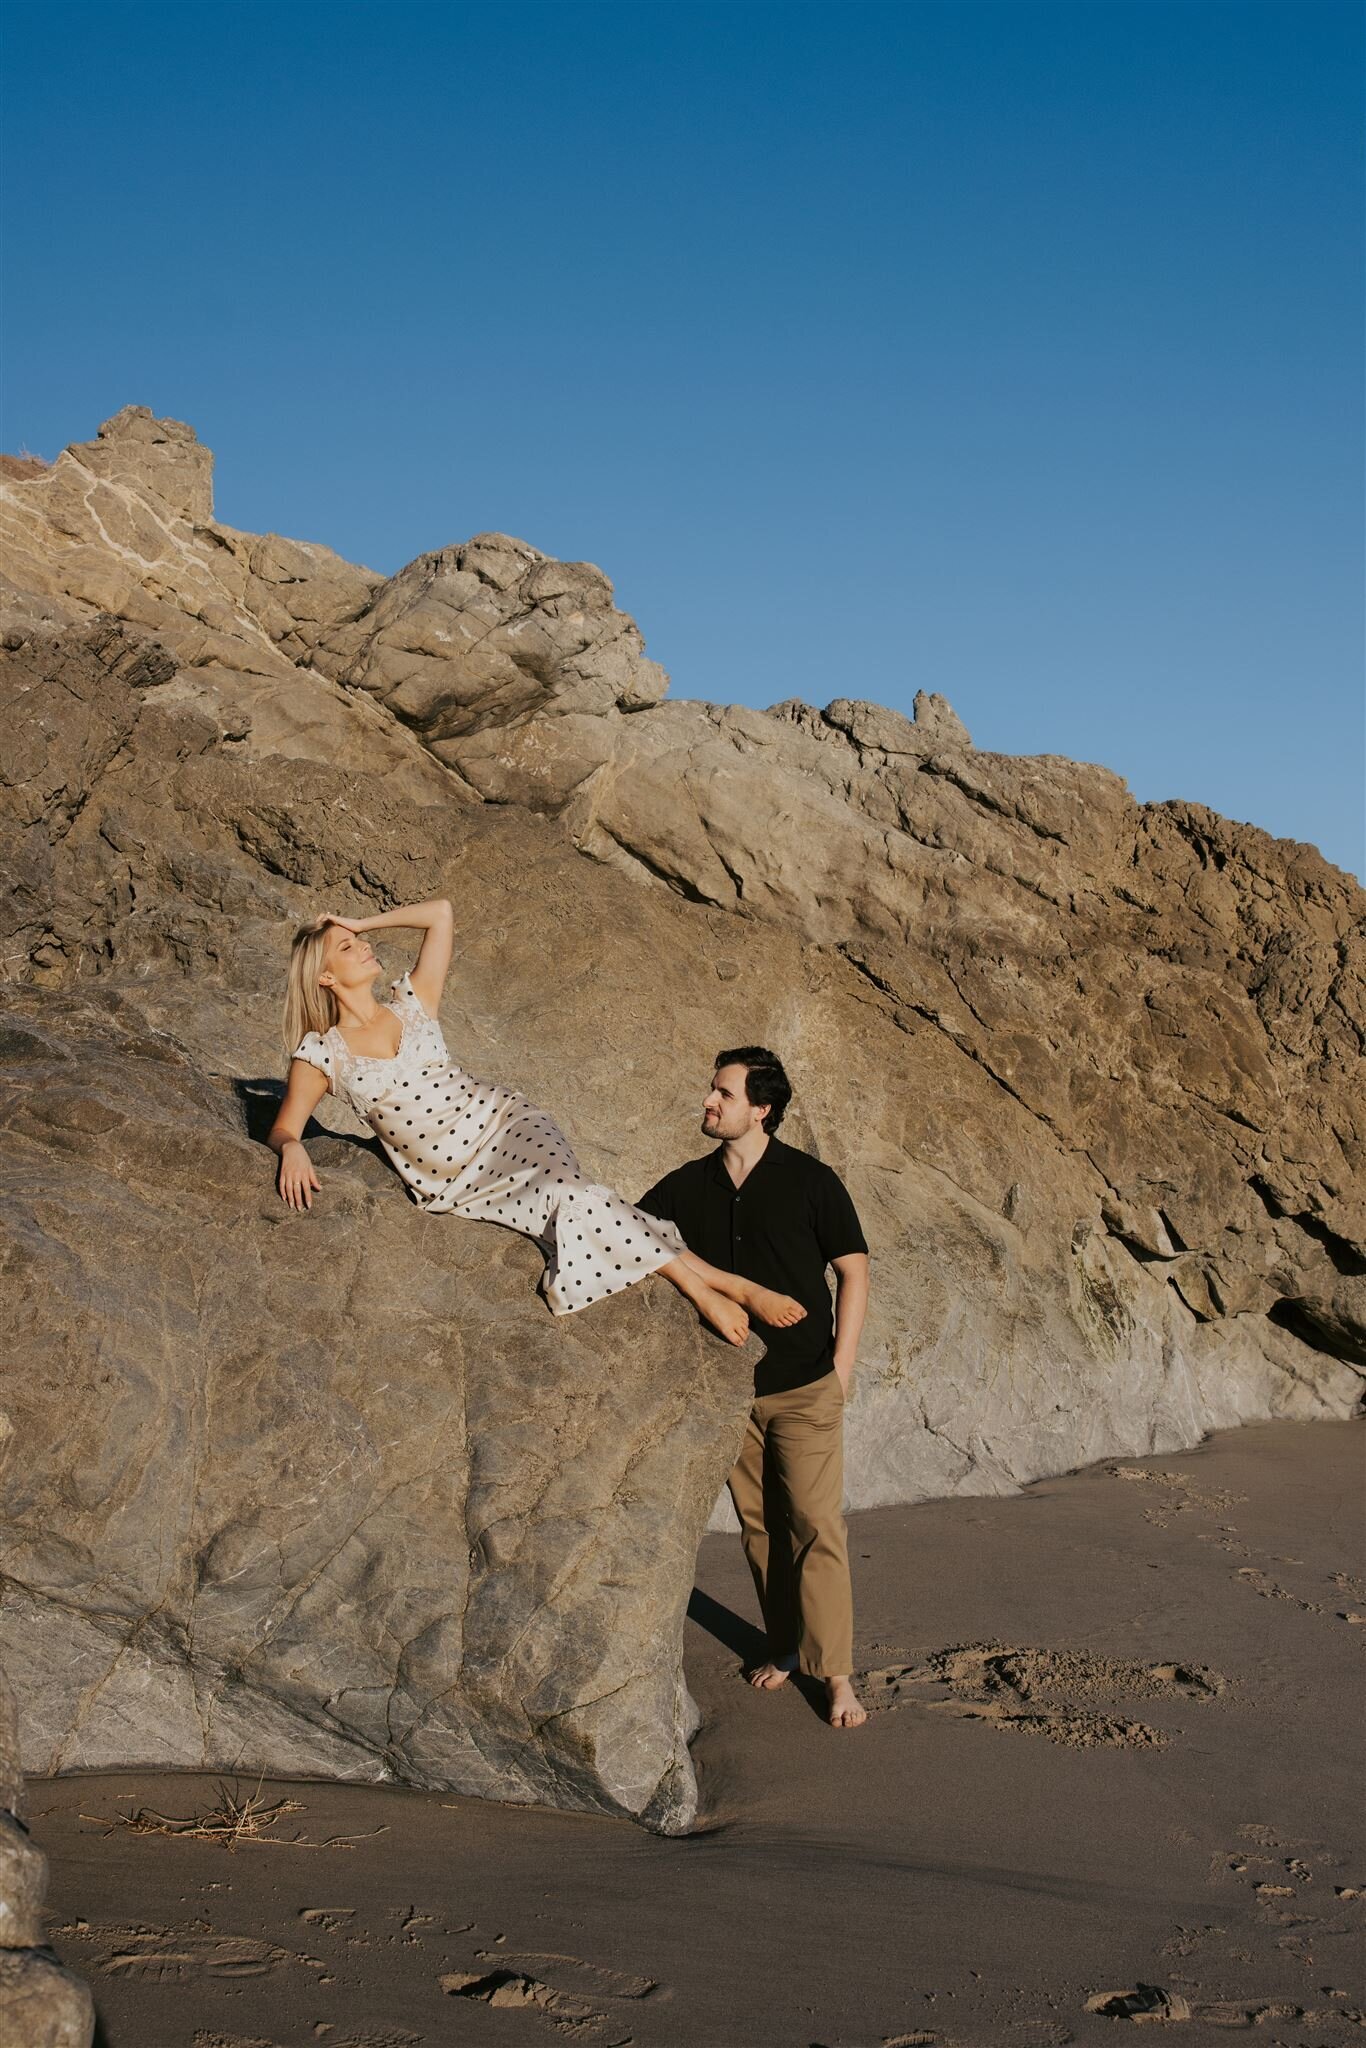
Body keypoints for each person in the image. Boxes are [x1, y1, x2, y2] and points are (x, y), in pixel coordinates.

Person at [267, 901, 809, 1348]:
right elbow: (285, 1128)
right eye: (347, 947)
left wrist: (361, 922)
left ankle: (708, 1286)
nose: (362, 947)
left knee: (570, 1192)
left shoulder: (410, 1002)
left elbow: (443, 913)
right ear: (324, 976)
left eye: (358, 939)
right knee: (578, 1200)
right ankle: (718, 1282)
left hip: (507, 1123)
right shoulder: (324, 1054)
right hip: (459, 1180)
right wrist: (292, 1149)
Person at [639, 1049, 870, 1729]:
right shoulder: (687, 1185)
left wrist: (843, 1366)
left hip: (804, 1385)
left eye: (723, 1093)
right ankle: (786, 1645)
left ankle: (837, 1677)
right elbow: (637, 1236)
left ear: (761, 1108)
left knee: (815, 1527)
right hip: (728, 1392)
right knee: (760, 1529)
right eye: (712, 1090)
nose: (709, 1102)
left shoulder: (810, 1181)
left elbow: (854, 1273)